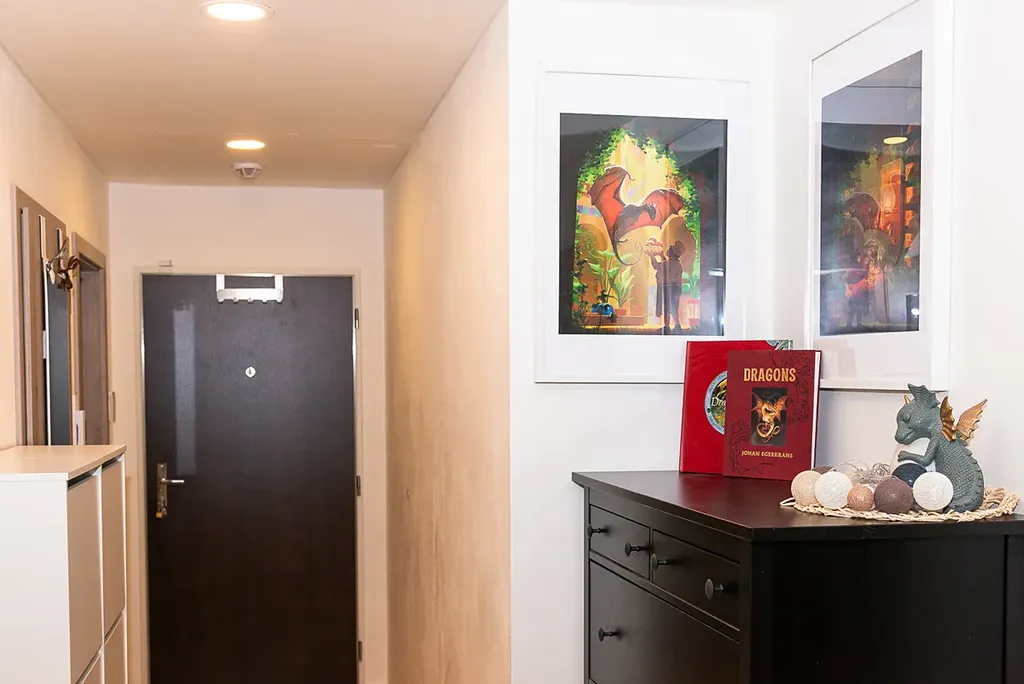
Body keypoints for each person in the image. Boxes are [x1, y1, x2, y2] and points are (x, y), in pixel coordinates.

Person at [648, 239, 685, 333]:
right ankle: (676, 325)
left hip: (667, 287)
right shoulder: (677, 264)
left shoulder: (668, 264)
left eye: (669, 250)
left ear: (671, 254)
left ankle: (667, 326)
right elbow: (666, 264)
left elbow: (656, 265)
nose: (667, 250)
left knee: (667, 308)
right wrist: (661, 255)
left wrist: (651, 256)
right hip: (676, 288)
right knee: (673, 307)